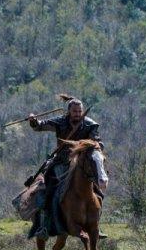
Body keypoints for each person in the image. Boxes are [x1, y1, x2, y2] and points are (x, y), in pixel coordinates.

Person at [26, 97, 102, 238]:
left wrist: (92, 146)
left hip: (82, 164)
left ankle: (96, 225)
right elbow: (40, 125)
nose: (77, 114)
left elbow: (97, 142)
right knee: (47, 190)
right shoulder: (60, 121)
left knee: (98, 190)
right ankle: (44, 226)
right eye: (74, 111)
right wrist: (33, 121)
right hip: (61, 163)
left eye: (79, 111)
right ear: (69, 111)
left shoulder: (91, 125)